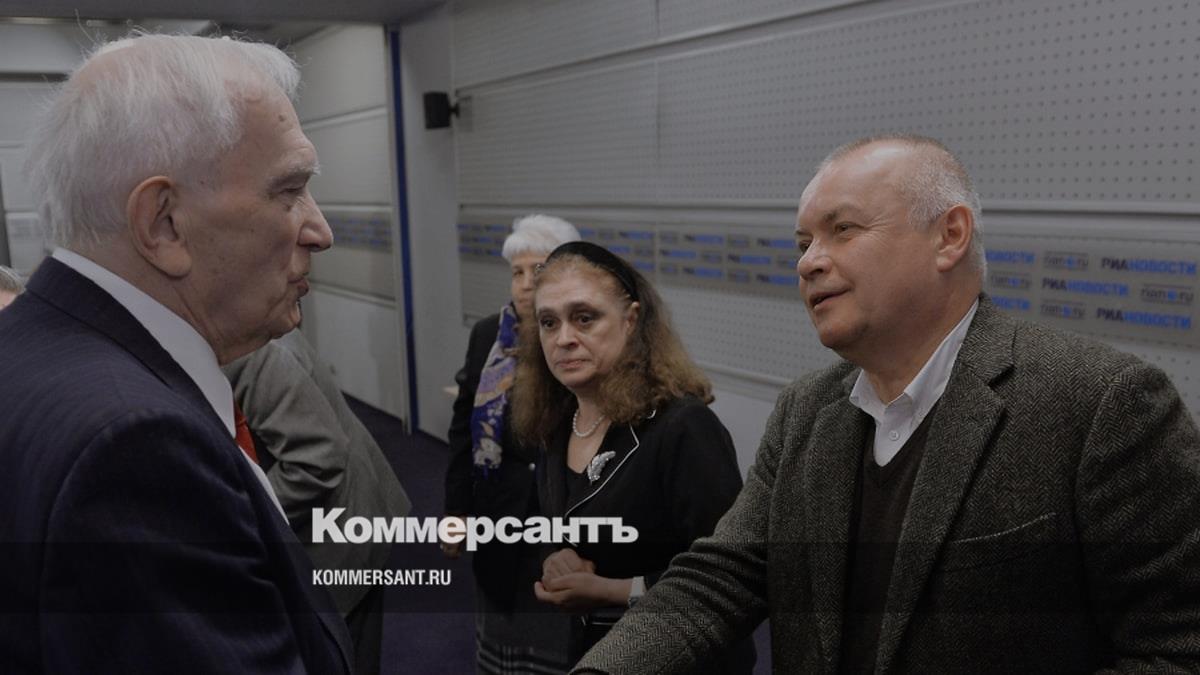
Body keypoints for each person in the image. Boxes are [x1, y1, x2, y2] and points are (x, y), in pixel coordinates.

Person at [572, 134, 1200, 674]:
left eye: (842, 230)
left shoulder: (1101, 404)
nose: (809, 263)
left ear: (949, 236)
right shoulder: (804, 411)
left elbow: (1176, 649)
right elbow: (719, 580)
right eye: (802, 243)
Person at [0, 35, 350, 673]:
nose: (319, 230)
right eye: (289, 190)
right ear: (163, 223)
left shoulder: (28, 348)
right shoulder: (133, 446)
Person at [515, 241, 755, 673]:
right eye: (549, 322)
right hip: (594, 655)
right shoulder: (557, 420)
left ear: (630, 320)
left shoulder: (683, 428)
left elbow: (733, 579)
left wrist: (613, 590)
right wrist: (552, 554)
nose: (564, 338)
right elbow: (543, 518)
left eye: (584, 318)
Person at [224, 327, 412, 675]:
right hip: (337, 520)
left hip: (343, 535)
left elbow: (315, 462)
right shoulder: (243, 335)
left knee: (345, 655)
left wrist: (238, 516)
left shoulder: (255, 354)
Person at [444, 213, 580, 674]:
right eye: (516, 272)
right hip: (498, 511)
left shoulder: (576, 340)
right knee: (501, 643)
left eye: (537, 271)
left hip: (561, 518)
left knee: (556, 644)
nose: (524, 285)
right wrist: (457, 509)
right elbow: (464, 426)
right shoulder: (488, 334)